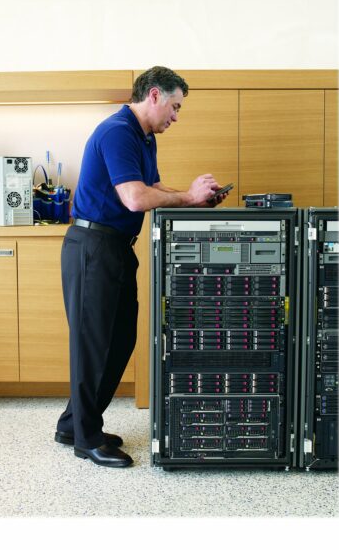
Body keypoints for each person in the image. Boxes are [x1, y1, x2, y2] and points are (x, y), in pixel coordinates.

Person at [54, 66, 228, 467]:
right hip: (93, 247)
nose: (176, 116)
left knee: (118, 342)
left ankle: (72, 424)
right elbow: (134, 198)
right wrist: (187, 197)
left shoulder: (143, 137)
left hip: (114, 247)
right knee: (93, 345)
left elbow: (154, 188)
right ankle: (86, 439)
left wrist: (194, 198)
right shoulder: (118, 132)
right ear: (154, 95)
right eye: (175, 106)